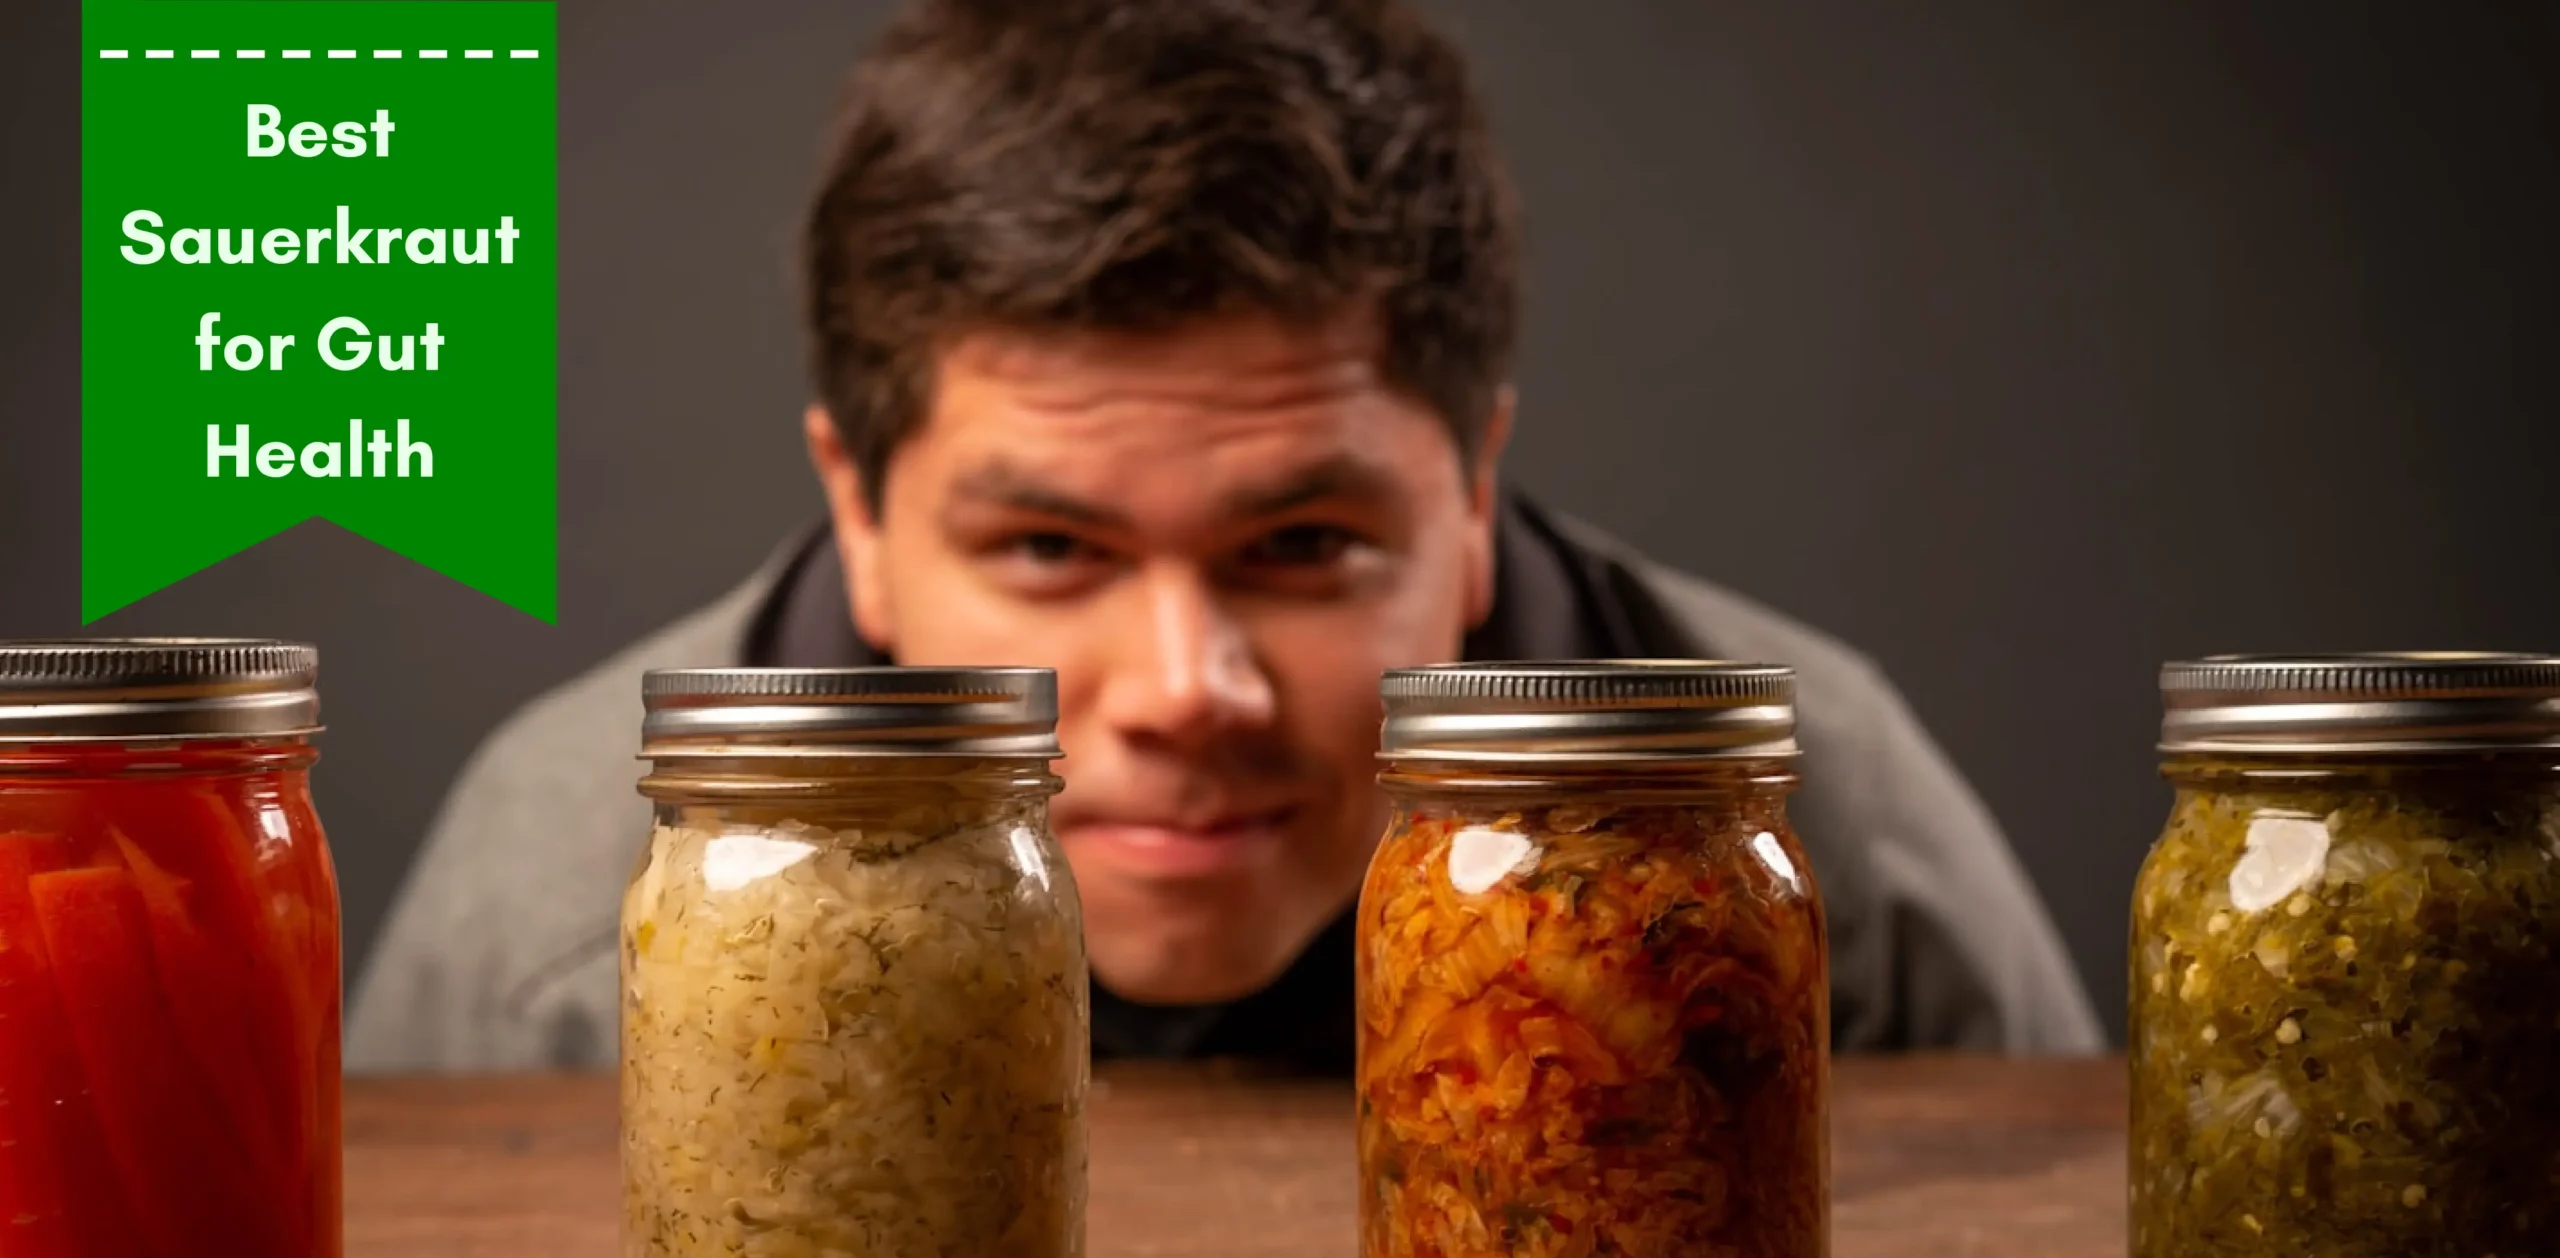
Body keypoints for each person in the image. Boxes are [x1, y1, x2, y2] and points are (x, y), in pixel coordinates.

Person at [346, 0, 2101, 1072]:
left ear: (1473, 497)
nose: (1188, 691)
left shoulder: (1817, 834)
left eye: (1310, 544)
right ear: (861, 518)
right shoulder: (563, 912)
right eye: (1045, 548)